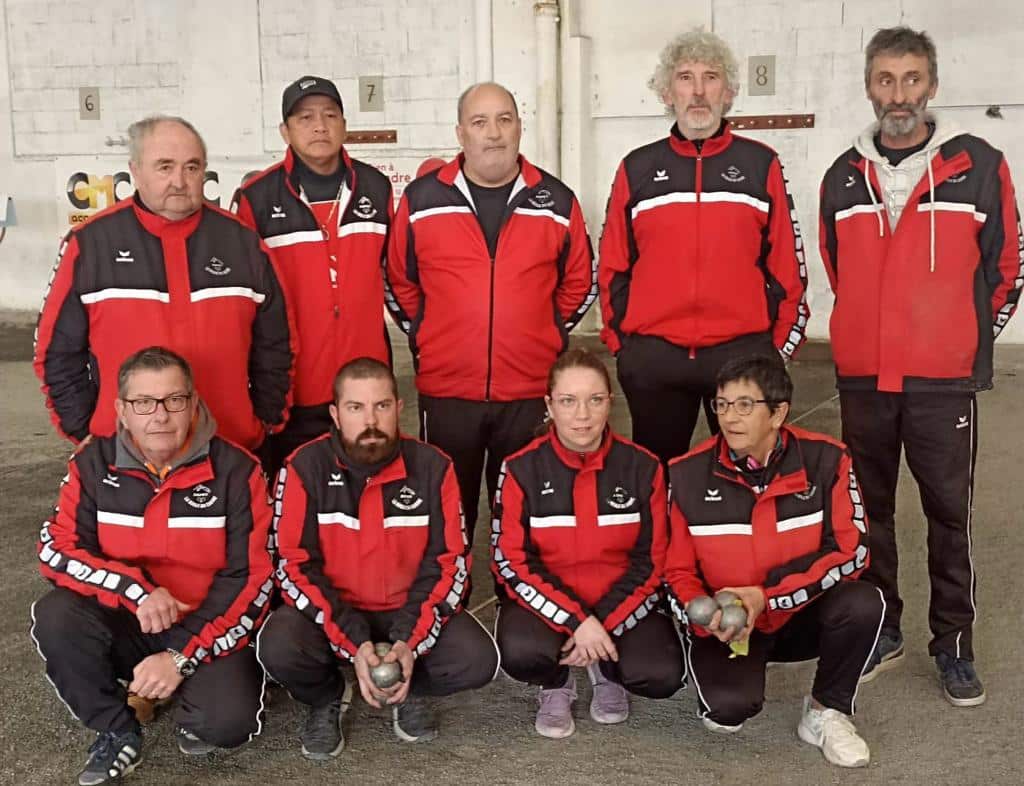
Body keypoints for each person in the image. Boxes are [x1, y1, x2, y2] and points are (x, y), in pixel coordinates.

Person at [819, 27, 1022, 705]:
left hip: (942, 383)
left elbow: (1007, 267)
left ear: (932, 85)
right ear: (869, 87)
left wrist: (965, 341)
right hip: (864, 380)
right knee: (868, 512)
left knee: (948, 516)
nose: (899, 94)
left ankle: (953, 643)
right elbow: (837, 267)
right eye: (886, 79)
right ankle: (884, 628)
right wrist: (862, 332)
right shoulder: (842, 176)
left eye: (911, 79)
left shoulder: (979, 164)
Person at [31, 347, 274, 786]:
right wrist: (136, 590)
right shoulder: (91, 463)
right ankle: (116, 728)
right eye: (143, 402)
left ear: (193, 404)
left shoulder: (239, 471)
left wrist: (179, 656)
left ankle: (167, 689)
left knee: (223, 725)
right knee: (56, 615)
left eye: (173, 400)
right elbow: (55, 549)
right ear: (122, 410)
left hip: (205, 625)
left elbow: (252, 580)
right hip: (129, 620)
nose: (159, 415)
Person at [385, 82, 597, 548]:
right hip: (447, 391)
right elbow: (399, 279)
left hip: (528, 391)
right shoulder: (421, 200)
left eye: (504, 120)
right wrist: (428, 333)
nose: (494, 133)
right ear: (461, 133)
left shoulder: (557, 201)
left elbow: (580, 282)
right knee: (447, 516)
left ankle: (516, 591)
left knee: (525, 517)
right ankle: (451, 591)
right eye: (480, 122)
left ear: (520, 128)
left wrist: (543, 331)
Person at [256, 357, 499, 760]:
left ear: (398, 408)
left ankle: (407, 685)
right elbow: (293, 566)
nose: (371, 421)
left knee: (477, 660)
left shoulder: (434, 467)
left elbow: (449, 563)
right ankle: (328, 695)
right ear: (335, 414)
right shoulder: (302, 467)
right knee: (278, 646)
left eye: (381, 406)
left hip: (406, 610)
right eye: (356, 407)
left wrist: (408, 643)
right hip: (336, 613)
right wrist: (355, 643)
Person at [599, 29, 808, 467]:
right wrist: (624, 346)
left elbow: (787, 264)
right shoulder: (637, 168)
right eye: (685, 77)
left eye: (710, 78)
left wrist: (776, 350)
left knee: (748, 477)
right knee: (656, 479)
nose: (697, 91)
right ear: (666, 92)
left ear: (728, 92)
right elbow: (613, 264)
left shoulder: (760, 164)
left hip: (741, 355)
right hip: (655, 358)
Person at [664, 355, 882, 768]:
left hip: (799, 612)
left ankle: (825, 711)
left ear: (778, 413)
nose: (729, 417)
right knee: (726, 710)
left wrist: (767, 597)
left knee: (863, 602)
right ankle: (727, 675)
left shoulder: (828, 460)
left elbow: (852, 551)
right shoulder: (684, 474)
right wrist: (705, 616)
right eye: (722, 405)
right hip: (731, 628)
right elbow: (674, 571)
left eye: (745, 405)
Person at [34, 115, 295, 452]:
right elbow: (55, 353)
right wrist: (89, 432)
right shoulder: (90, 244)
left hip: (229, 451)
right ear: (135, 170)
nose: (179, 181)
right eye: (165, 167)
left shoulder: (244, 243)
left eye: (192, 167)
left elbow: (277, 345)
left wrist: (260, 424)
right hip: (124, 458)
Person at [491, 349, 683, 739]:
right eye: (568, 401)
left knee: (659, 673)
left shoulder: (643, 466)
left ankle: (605, 667)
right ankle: (555, 681)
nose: (582, 415)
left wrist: (601, 627)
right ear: (549, 405)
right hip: (548, 604)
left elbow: (654, 561)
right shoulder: (520, 468)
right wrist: (576, 622)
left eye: (595, 400)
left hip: (618, 603)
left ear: (610, 402)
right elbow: (509, 561)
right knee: (523, 653)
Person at [234, 76, 394, 472]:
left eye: (329, 115)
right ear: (285, 131)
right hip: (295, 385)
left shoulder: (376, 187)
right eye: (305, 118)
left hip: (365, 384)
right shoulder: (257, 198)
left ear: (344, 125)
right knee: (298, 488)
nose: (319, 126)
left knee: (368, 487)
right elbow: (247, 299)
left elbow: (397, 275)